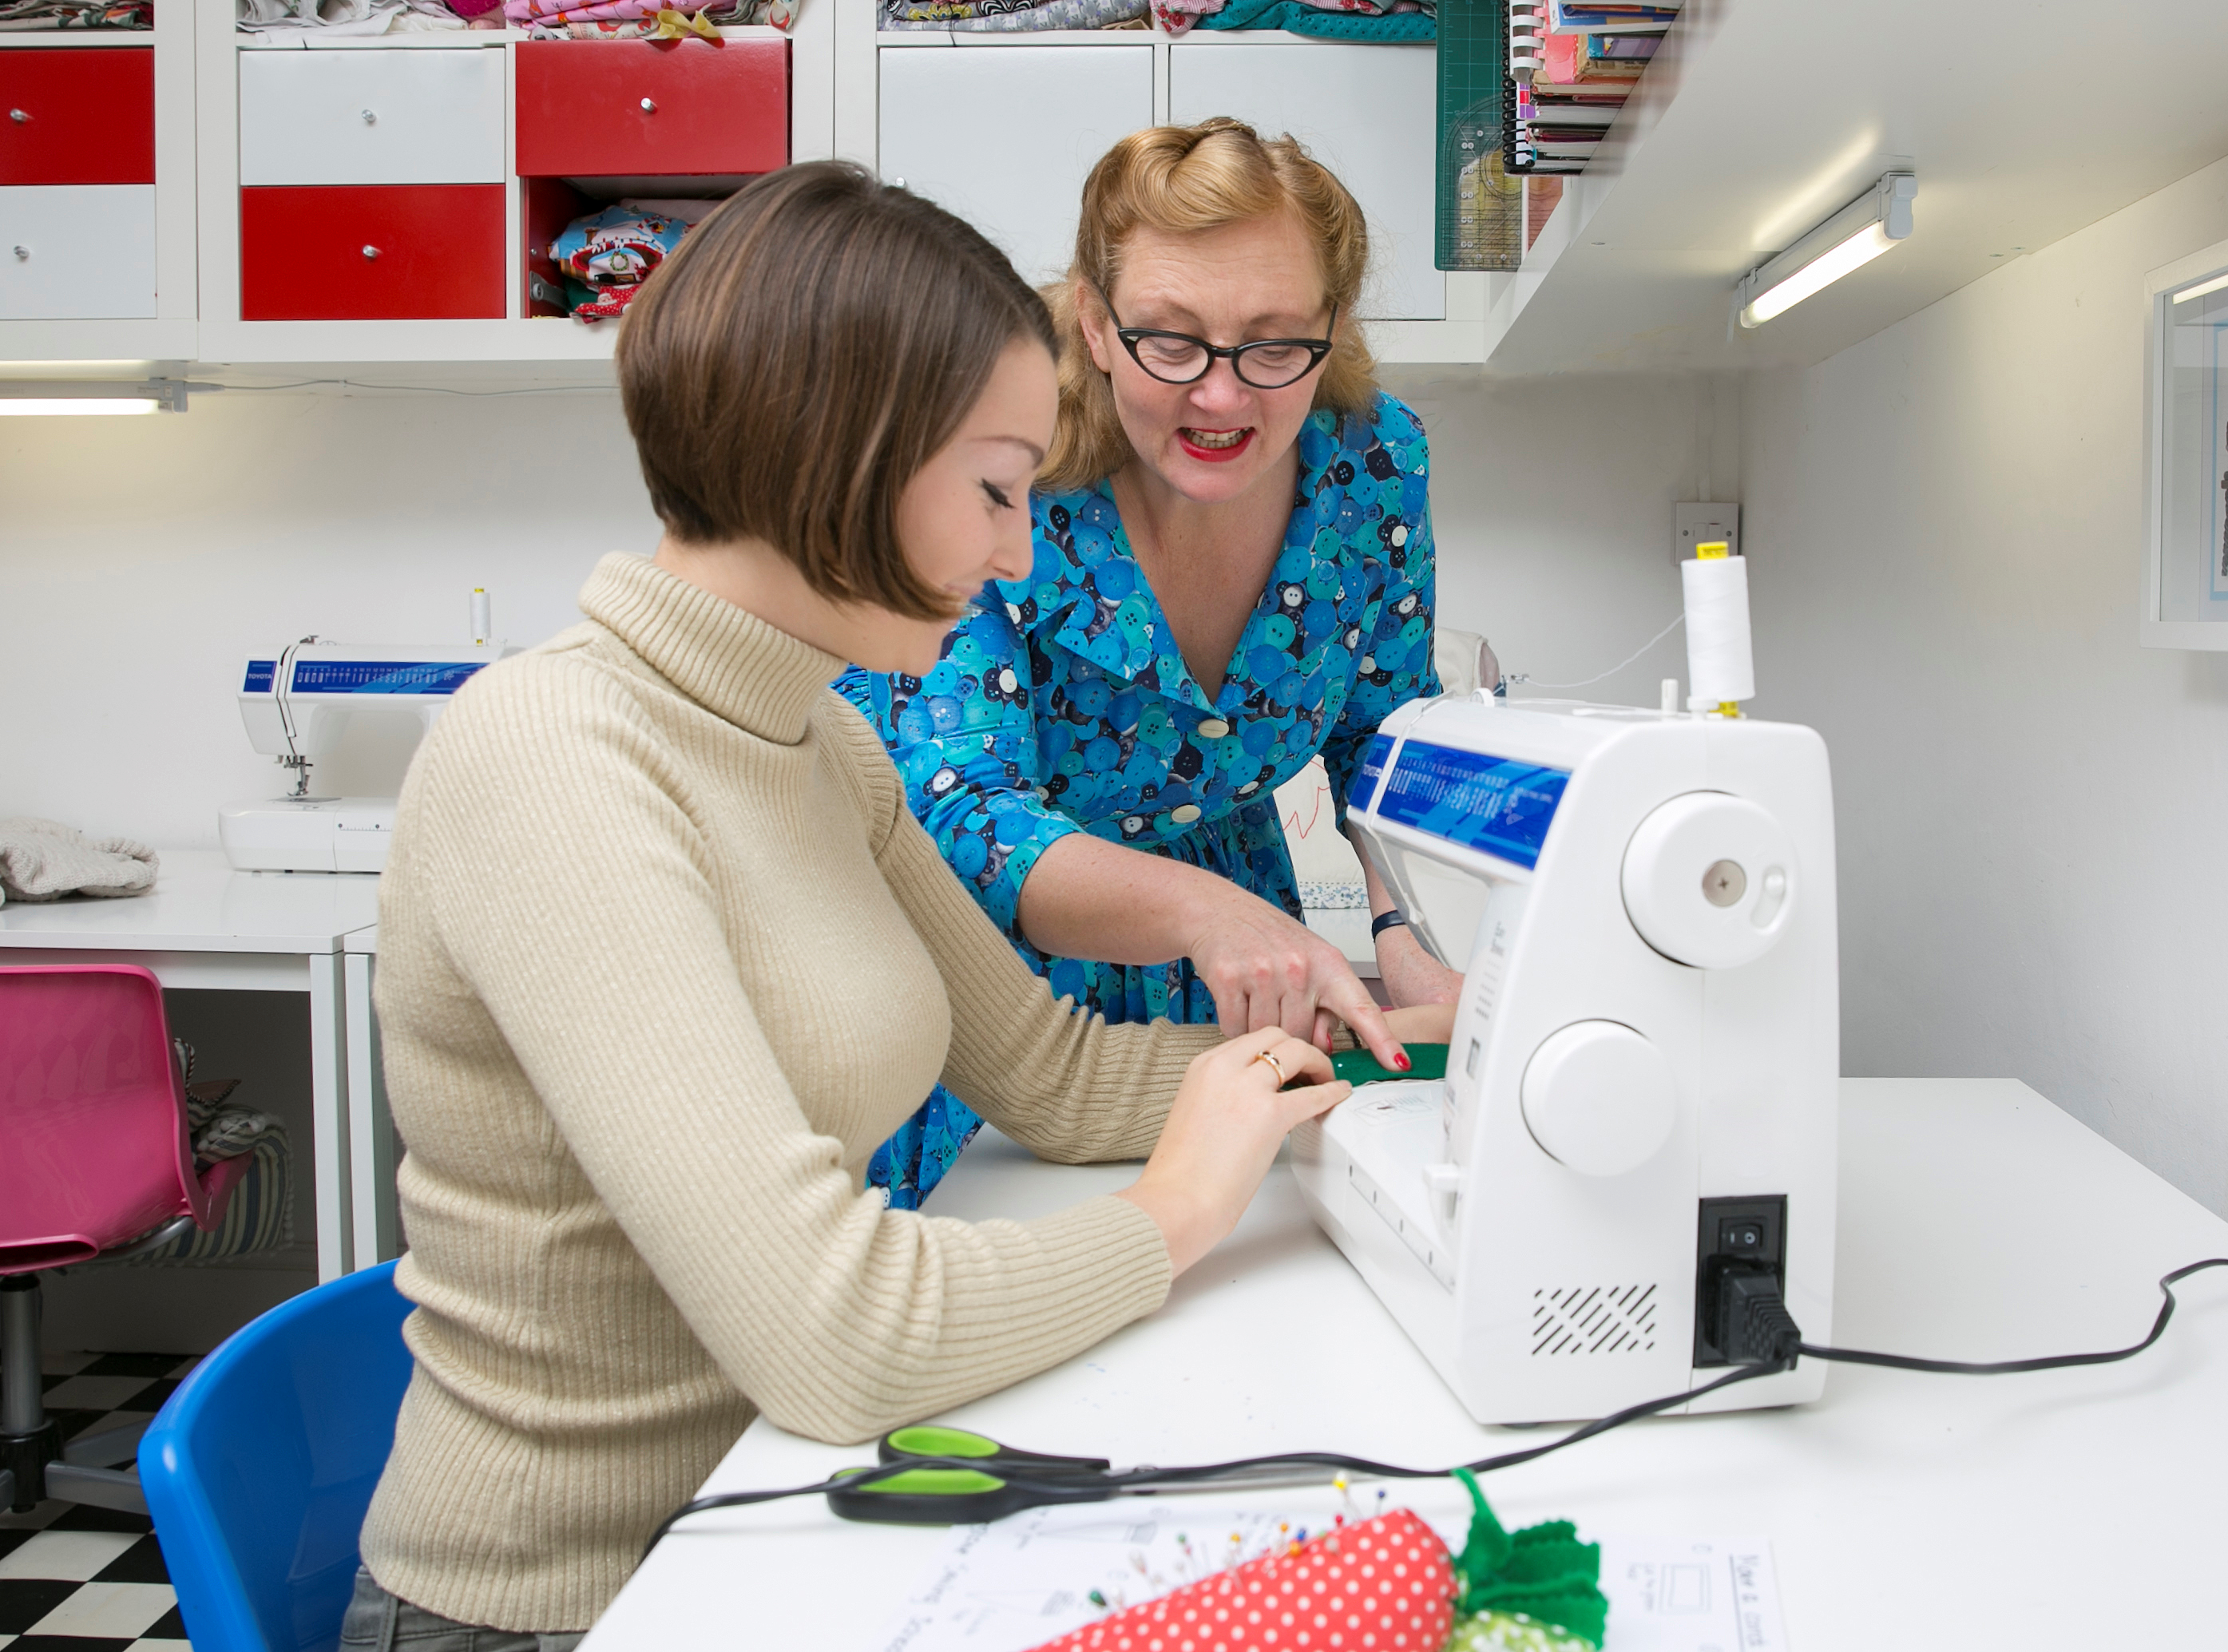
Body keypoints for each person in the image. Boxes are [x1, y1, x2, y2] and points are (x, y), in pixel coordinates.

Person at [344, 162, 1441, 1650]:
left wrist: (1376, 1055)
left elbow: (1045, 1073)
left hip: (770, 1520)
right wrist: (1176, 1207)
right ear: (839, 457)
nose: (1013, 551)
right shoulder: (552, 757)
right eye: (993, 489)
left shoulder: (818, 743)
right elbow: (836, 1331)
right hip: (581, 1600)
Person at [841, 119, 1459, 1206]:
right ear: (1092, 319)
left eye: (1272, 344)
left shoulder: (1371, 461)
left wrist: (1404, 922)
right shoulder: (996, 465)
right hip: (974, 983)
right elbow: (959, 806)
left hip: (1218, 976)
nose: (1219, 397)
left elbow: (1383, 731)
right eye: (1169, 341)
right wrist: (1208, 916)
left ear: (1332, 324)